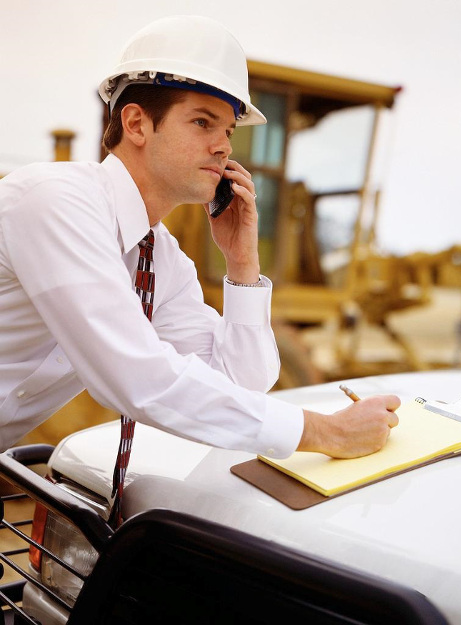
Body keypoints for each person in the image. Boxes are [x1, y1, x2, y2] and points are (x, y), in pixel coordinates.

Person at [0, 15, 399, 466]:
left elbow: (240, 383)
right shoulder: (56, 201)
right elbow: (137, 380)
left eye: (227, 131)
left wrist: (242, 263)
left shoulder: (160, 257)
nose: (224, 147)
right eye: (202, 122)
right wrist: (326, 432)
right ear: (136, 124)